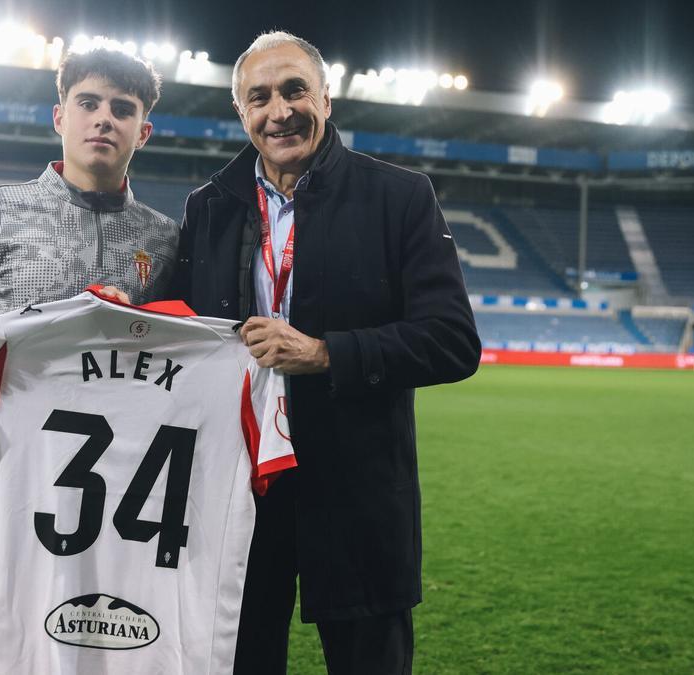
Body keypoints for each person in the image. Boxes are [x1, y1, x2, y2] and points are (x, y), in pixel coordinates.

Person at [166, 31, 481, 674]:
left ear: (327, 99)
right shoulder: (209, 209)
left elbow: (453, 341)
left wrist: (327, 353)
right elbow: (178, 334)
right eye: (259, 97)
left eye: (294, 90)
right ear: (242, 113)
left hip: (358, 491)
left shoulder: (400, 196)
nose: (278, 110)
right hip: (240, 493)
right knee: (242, 659)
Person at [0, 47, 177, 674]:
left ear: (143, 130)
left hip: (114, 497)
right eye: (88, 103)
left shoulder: (164, 239)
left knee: (99, 653)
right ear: (60, 116)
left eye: (121, 109)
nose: (103, 118)